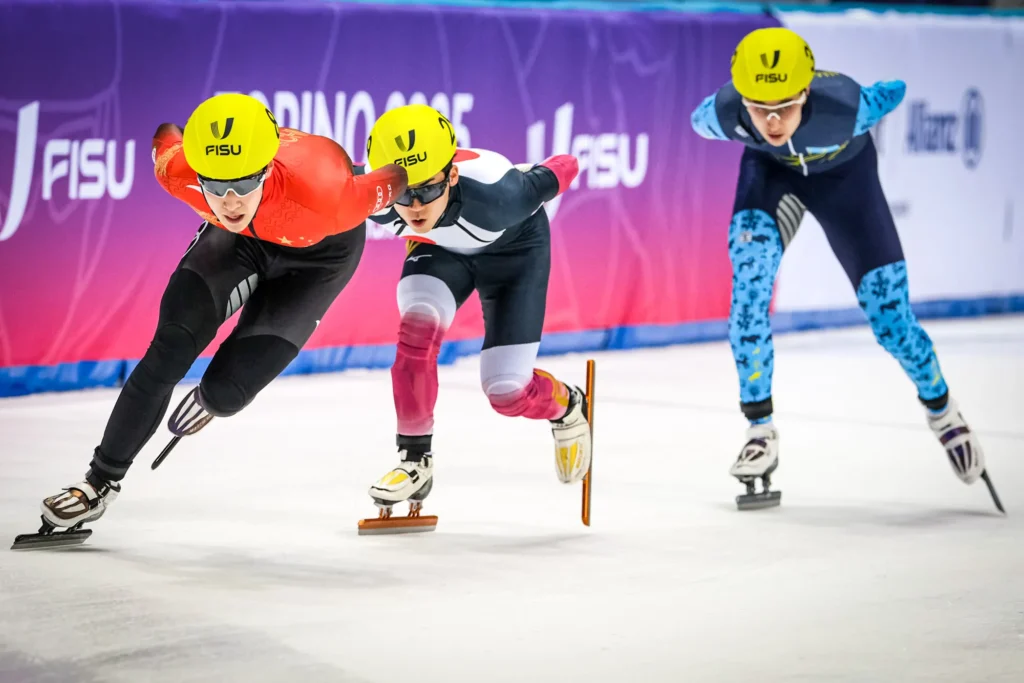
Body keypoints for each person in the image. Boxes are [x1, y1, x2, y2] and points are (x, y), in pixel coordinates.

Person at [30, 93, 408, 540]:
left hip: (319, 256)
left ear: (266, 168)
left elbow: (398, 178)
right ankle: (97, 482)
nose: (230, 200)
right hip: (241, 240)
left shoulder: (328, 192)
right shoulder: (178, 171)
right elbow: (166, 133)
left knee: (226, 393)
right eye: (216, 185)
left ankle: (218, 398)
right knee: (169, 348)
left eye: (244, 184)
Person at [690, 27, 988, 508]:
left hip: (847, 183)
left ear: (807, 90)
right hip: (773, 178)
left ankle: (942, 410)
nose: (771, 121)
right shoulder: (721, 115)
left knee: (891, 319)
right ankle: (759, 429)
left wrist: (889, 91)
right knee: (748, 291)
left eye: (785, 105)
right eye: (758, 106)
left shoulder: (849, 105)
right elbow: (701, 118)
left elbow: (892, 93)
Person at [359, 104, 588, 520]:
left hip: (516, 249)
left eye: (426, 190)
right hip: (440, 251)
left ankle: (568, 404)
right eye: (400, 193)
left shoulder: (503, 195)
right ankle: (414, 460)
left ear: (451, 175)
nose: (413, 207)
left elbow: (565, 166)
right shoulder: (369, 195)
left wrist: (536, 173)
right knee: (416, 330)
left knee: (506, 392)